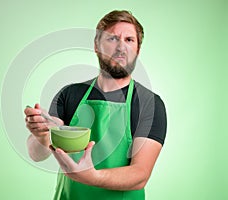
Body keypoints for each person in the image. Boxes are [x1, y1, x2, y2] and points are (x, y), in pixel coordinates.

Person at [24, 10, 167, 200]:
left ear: (138, 50)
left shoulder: (150, 104)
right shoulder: (69, 95)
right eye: (112, 39)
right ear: (97, 46)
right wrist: (41, 135)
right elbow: (37, 154)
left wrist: (92, 177)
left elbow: (140, 174)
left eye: (129, 40)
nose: (121, 47)